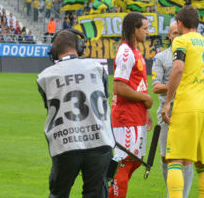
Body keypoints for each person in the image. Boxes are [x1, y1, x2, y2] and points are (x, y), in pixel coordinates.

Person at [37, 29, 115, 197]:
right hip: (99, 141)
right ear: (79, 48)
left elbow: (49, 106)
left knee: (59, 193)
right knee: (96, 193)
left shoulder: (44, 77)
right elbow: (105, 101)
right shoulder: (97, 67)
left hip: (65, 143)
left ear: (53, 52)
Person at [161, 5, 204, 198]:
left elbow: (177, 69)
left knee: (175, 160)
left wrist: (168, 101)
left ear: (179, 23)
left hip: (187, 105)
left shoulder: (181, 41)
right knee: (203, 164)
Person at [110, 12, 153, 198]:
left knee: (135, 161)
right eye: (145, 28)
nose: (148, 32)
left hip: (136, 116)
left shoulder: (135, 51)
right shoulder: (126, 52)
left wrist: (145, 110)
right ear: (134, 29)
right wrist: (144, 99)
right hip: (125, 117)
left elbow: (137, 85)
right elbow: (119, 87)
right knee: (124, 162)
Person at [152, 21, 193, 198]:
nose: (178, 36)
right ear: (169, 36)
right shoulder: (161, 57)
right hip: (166, 111)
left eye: (180, 33)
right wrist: (176, 85)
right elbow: (155, 87)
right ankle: (172, 192)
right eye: (175, 33)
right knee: (165, 157)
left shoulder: (193, 55)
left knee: (186, 157)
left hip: (188, 109)